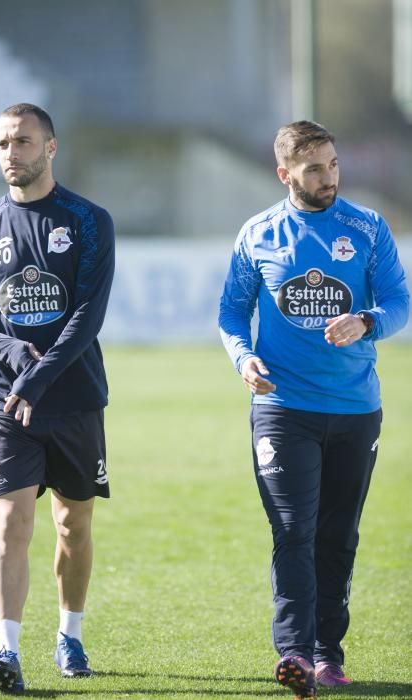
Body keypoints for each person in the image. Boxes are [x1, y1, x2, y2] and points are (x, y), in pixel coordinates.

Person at [218, 120, 409, 699]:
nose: (329, 177)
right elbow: (231, 313)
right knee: (293, 530)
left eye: (332, 164)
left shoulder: (367, 227)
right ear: (285, 175)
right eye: (314, 169)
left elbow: (400, 301)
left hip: (355, 408)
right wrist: (244, 359)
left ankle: (329, 654)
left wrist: (368, 321)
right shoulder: (258, 234)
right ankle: (296, 652)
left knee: (338, 535)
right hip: (283, 408)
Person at [0, 103, 115, 694]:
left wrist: (38, 377)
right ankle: (7, 650)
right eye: (1, 143)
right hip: (6, 403)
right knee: (12, 523)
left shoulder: (89, 220)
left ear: (50, 147)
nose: (10, 153)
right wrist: (13, 355)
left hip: (73, 399)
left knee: (72, 524)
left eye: (22, 141)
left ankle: (69, 634)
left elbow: (86, 317)